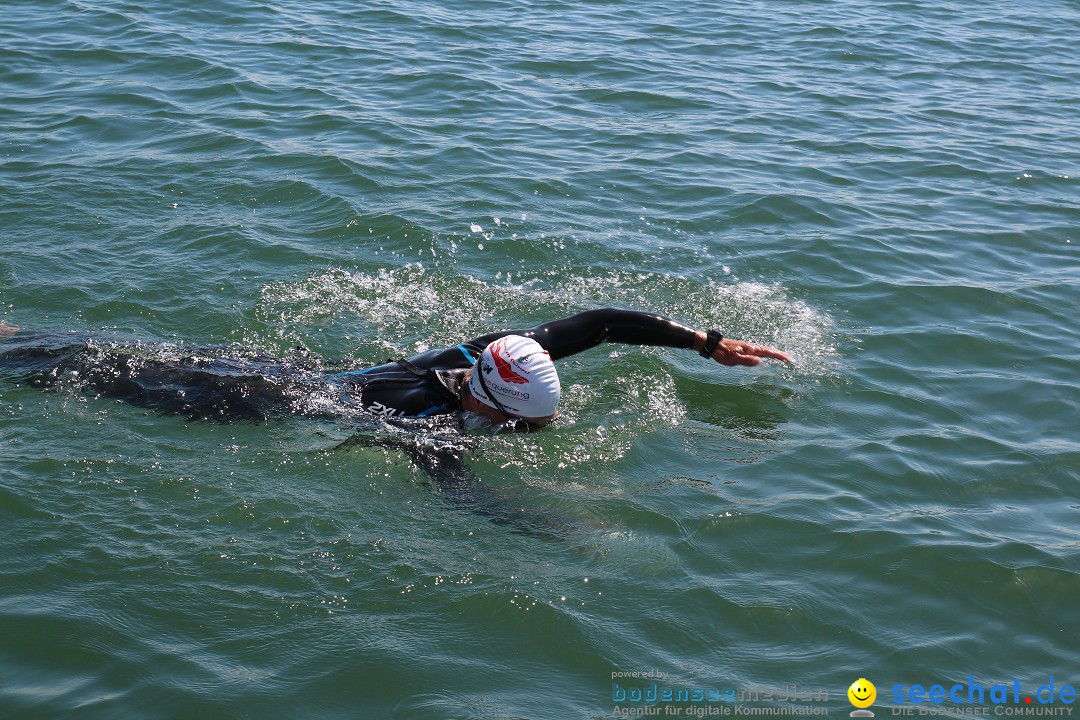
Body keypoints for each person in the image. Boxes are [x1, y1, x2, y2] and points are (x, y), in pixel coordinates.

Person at [0, 308, 791, 432]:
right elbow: (455, 493)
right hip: (265, 398)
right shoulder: (426, 425)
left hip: (304, 368)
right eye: (531, 423)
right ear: (492, 407)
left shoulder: (480, 351)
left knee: (96, 354)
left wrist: (705, 342)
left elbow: (604, 322)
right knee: (101, 375)